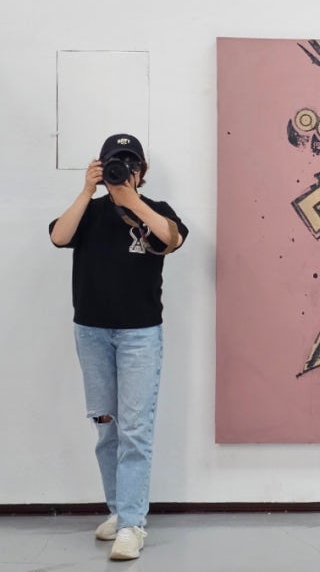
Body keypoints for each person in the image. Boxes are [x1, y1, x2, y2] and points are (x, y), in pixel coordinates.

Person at [49, 134, 188, 561]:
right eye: (114, 163)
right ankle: (119, 510)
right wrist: (87, 191)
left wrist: (131, 200)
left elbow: (172, 239)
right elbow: (59, 237)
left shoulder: (156, 211)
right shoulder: (89, 212)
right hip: (91, 333)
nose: (122, 170)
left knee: (135, 431)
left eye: (130, 164)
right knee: (107, 428)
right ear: (100, 166)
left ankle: (132, 525)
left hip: (139, 336)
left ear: (141, 172)